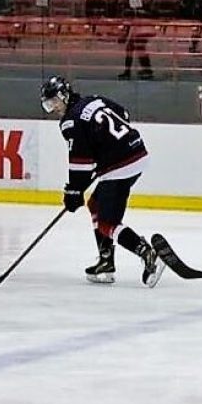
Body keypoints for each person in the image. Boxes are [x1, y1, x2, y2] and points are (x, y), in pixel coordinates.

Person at [39, 75, 164, 287]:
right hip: (136, 151)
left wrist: (73, 191)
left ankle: (147, 253)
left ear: (64, 96)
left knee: (107, 223)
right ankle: (106, 262)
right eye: (48, 105)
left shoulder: (70, 121)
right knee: (95, 204)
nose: (53, 108)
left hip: (120, 166)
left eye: (54, 102)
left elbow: (80, 161)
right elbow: (124, 114)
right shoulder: (94, 100)